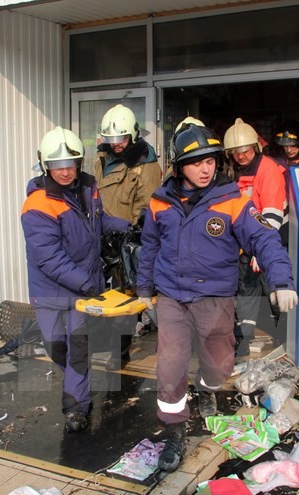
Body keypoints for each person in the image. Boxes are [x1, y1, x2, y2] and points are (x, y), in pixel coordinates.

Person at [136, 122, 297, 472]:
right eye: (196, 162)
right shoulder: (159, 202)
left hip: (215, 297)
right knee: (170, 363)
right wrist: (144, 289)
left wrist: (282, 280)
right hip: (173, 296)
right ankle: (175, 429)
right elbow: (149, 246)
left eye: (209, 160)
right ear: (180, 167)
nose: (205, 168)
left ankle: (206, 388)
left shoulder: (232, 201)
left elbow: (264, 239)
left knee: (219, 365)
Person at [21, 126, 129, 432]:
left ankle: (76, 408)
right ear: (45, 165)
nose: (65, 172)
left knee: (78, 348)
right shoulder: (38, 203)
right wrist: (88, 283)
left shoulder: (89, 188)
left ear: (79, 163)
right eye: (57, 166)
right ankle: (76, 379)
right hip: (53, 291)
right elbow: (49, 257)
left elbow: (99, 221)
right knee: (55, 345)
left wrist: (128, 226)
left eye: (70, 165)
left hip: (82, 293)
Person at [95, 104, 162, 370]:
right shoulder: (102, 158)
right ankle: (109, 345)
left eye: (121, 139)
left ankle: (119, 352)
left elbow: (146, 210)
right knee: (102, 297)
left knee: (125, 298)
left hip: (126, 242)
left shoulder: (146, 164)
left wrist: (133, 242)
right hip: (102, 239)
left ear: (133, 135)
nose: (117, 144)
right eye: (111, 139)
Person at [223, 118, 289, 356]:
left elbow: (272, 213)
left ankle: (287, 339)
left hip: (271, 239)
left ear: (255, 147)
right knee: (246, 290)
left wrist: (262, 251)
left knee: (274, 289)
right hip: (246, 243)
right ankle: (243, 340)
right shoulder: (234, 171)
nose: (241, 156)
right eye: (236, 152)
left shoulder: (268, 169)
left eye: (245, 151)